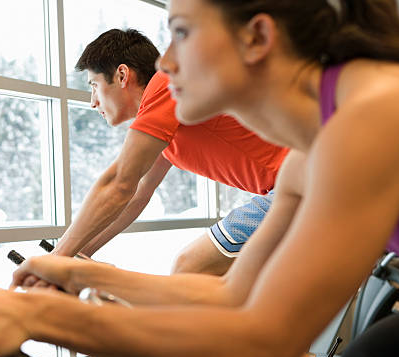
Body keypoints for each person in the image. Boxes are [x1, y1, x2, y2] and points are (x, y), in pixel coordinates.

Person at [0, 1, 399, 357]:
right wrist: (85, 277)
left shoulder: (366, 119)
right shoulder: (303, 162)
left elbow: (256, 347)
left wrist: (44, 315)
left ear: (257, 37)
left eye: (180, 32)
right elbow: (225, 301)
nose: (166, 62)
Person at [49, 28, 288, 280]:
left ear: (121, 75)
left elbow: (119, 183)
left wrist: (57, 259)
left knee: (190, 266)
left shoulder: (166, 85)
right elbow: (136, 195)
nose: (93, 101)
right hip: (293, 186)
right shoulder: (162, 122)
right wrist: (78, 253)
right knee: (218, 281)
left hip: (299, 185)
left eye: (94, 86)